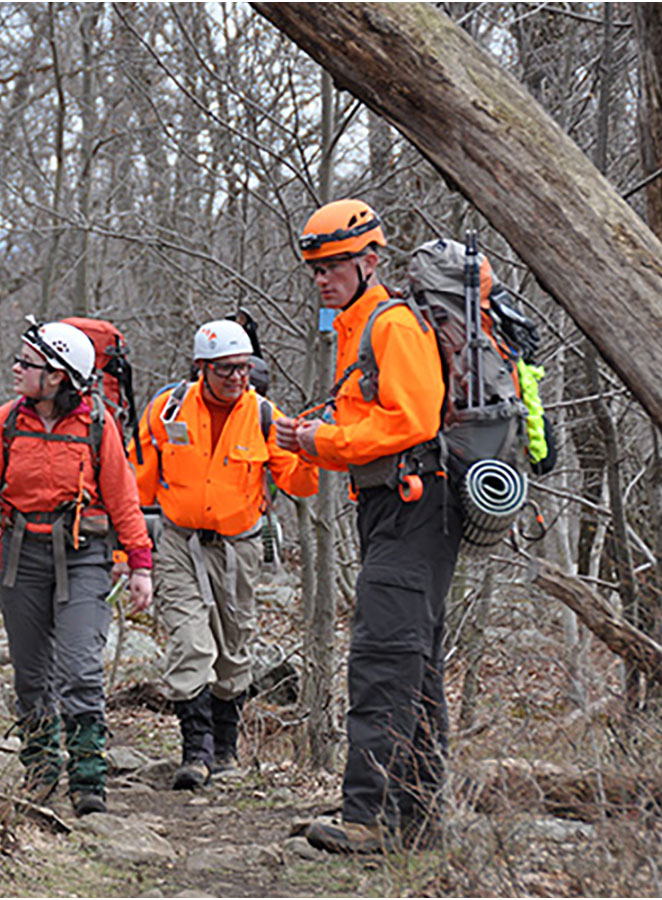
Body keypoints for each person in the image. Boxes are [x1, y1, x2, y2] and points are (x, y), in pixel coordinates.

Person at [275, 199, 463, 854]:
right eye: (315, 268)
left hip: (418, 504)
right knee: (414, 663)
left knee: (383, 657)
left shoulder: (391, 323)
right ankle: (417, 817)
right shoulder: (357, 328)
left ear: (369, 259)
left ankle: (370, 816)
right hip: (391, 506)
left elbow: (413, 419)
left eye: (333, 265)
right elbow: (365, 419)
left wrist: (323, 438)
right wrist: (312, 436)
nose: (322, 278)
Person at [0, 318, 153, 817]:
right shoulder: (6, 419)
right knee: (31, 673)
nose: (17, 369)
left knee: (81, 668)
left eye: (28, 363)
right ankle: (41, 770)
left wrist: (139, 565)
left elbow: (123, 499)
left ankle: (89, 778)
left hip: (83, 556)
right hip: (19, 557)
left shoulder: (97, 425)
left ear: (58, 377)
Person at [132, 319, 318, 789]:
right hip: (178, 543)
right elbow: (138, 483)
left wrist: (311, 447)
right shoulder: (167, 410)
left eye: (244, 368)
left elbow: (298, 482)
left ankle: (227, 750)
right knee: (191, 642)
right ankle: (195, 753)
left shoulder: (264, 415)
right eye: (226, 370)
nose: (237, 378)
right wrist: (127, 548)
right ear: (201, 368)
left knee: (234, 647)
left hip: (239, 548)